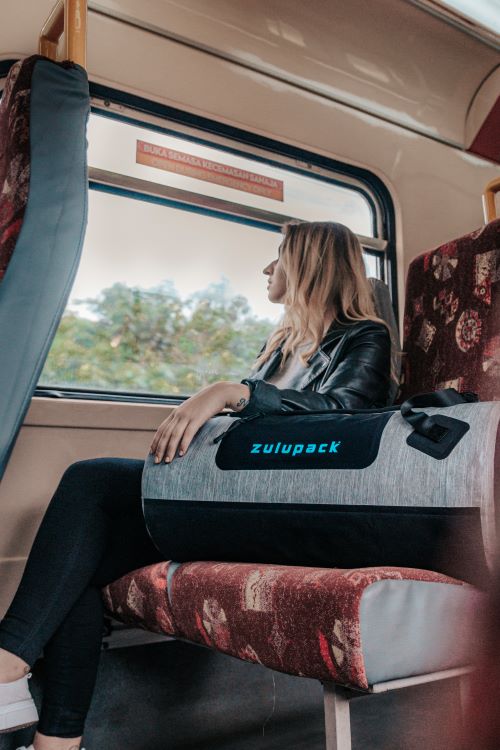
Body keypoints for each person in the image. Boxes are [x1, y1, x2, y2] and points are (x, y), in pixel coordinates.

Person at [0, 220, 393, 750]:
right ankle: (56, 743)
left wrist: (232, 392)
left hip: (288, 506)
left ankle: (7, 663)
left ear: (307, 263)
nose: (268, 268)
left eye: (279, 255)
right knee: (82, 561)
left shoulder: (365, 336)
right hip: (238, 495)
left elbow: (346, 416)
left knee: (91, 478)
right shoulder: (280, 346)